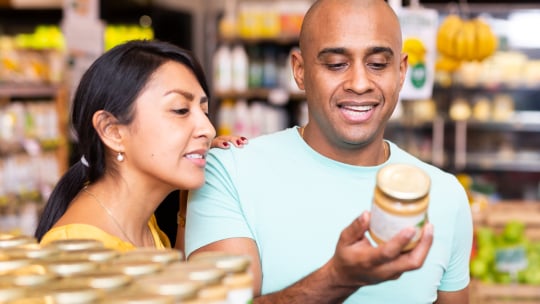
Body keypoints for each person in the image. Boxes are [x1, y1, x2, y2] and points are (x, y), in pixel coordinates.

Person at [183, 0, 472, 303]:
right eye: (336, 64)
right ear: (300, 71)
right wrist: (337, 279)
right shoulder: (230, 172)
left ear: (401, 72)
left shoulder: (445, 195)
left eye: (377, 64)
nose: (360, 84)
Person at [34, 39, 245, 251]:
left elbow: (172, 278)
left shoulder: (139, 220)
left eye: (204, 111)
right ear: (112, 131)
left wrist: (187, 206)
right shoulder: (78, 251)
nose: (209, 129)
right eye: (181, 110)